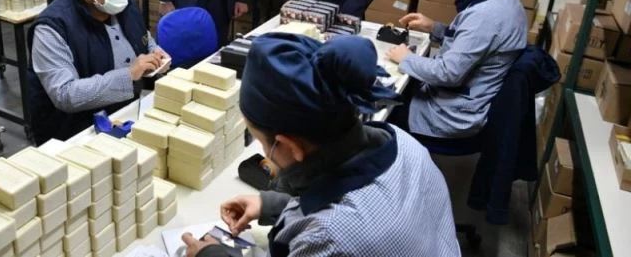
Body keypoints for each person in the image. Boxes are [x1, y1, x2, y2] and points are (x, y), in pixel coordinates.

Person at [181, 33, 460, 257]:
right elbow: (343, 193)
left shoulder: (329, 238)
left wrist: (211, 254)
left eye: (261, 142)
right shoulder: (405, 143)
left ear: (289, 147)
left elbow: (336, 225)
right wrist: (271, 205)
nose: (265, 154)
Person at [27, 0, 168, 143]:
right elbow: (65, 94)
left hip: (123, 115)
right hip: (77, 132)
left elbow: (143, 37)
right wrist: (129, 75)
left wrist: (155, 53)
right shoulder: (52, 29)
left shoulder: (125, 7)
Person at [386, 0, 527, 139]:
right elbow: (474, 42)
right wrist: (435, 27)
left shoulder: (486, 15)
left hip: (449, 114)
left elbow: (448, 73)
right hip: (458, 95)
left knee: (381, 108)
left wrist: (405, 58)